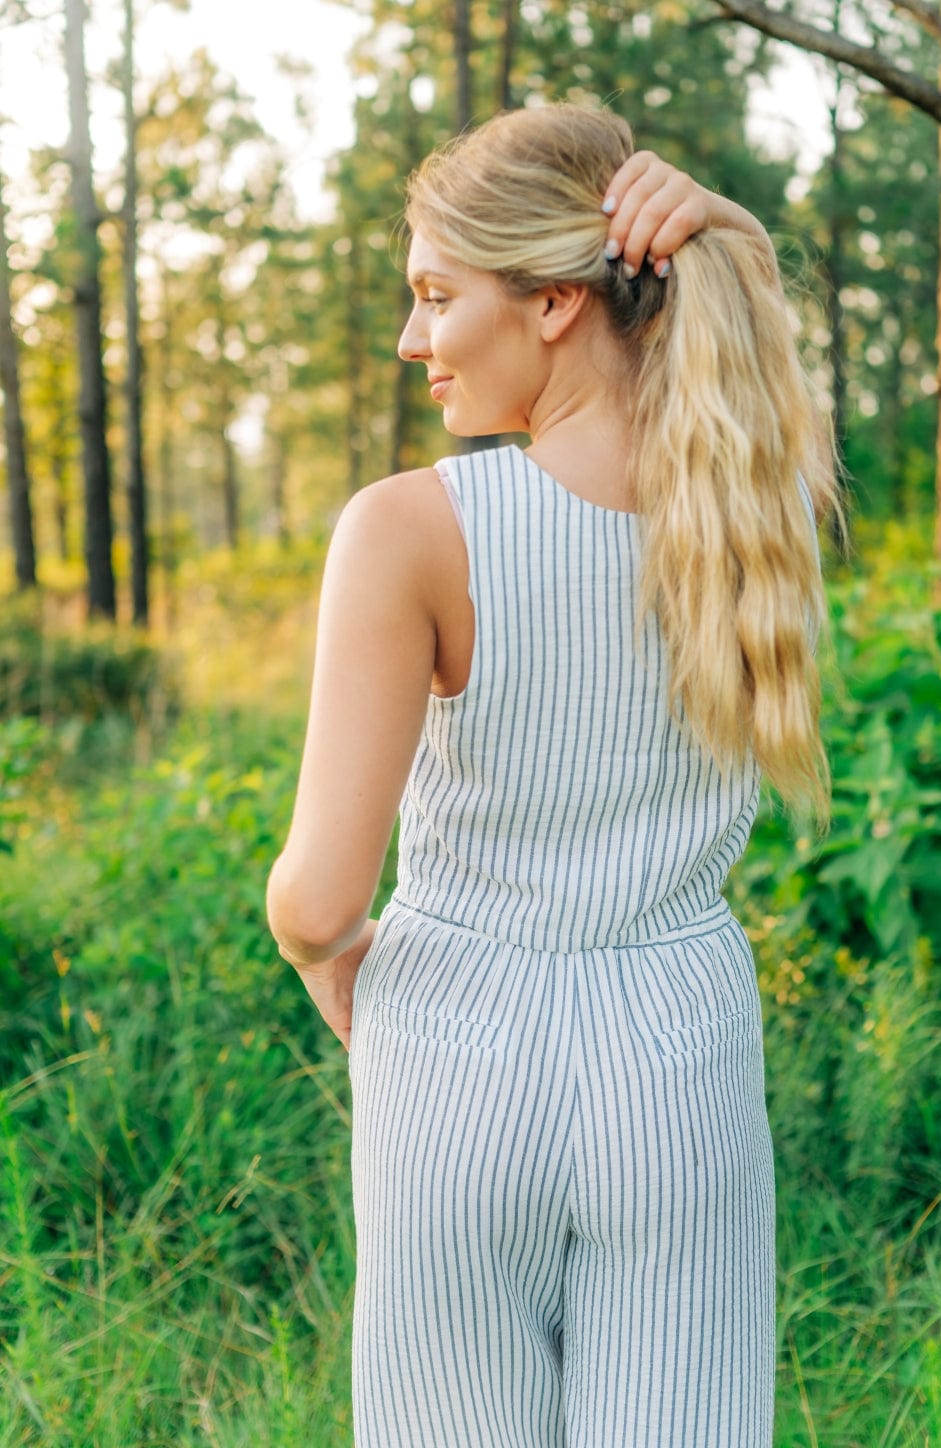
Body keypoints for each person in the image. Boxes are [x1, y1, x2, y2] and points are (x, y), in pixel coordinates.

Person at [267, 102, 837, 1448]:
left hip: (454, 1043)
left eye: (435, 294)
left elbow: (313, 896)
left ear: (552, 307)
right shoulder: (759, 513)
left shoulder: (411, 530)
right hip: (679, 1050)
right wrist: (732, 241)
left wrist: (323, 956)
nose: (413, 340)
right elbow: (756, 377)